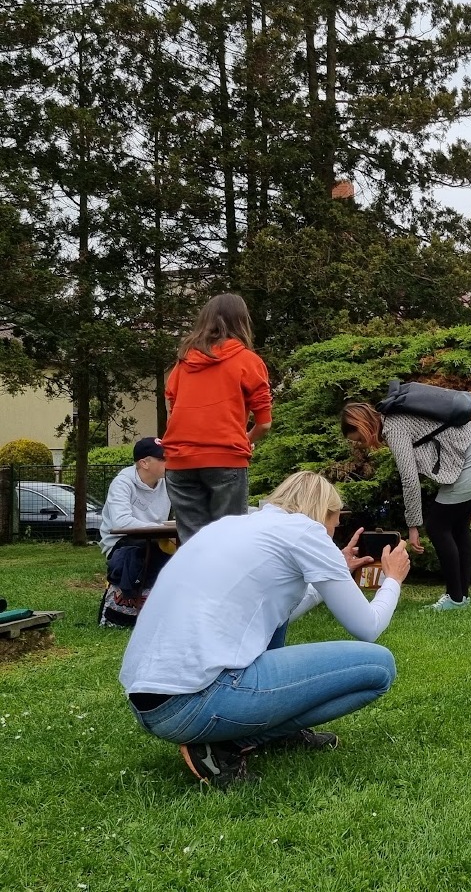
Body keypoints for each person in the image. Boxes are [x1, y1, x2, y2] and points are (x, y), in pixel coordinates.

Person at [119, 471, 410, 788]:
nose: (332, 532)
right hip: (194, 704)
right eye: (335, 523)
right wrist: (393, 580)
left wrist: (332, 569)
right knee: (380, 667)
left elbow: (273, 611)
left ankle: (249, 731)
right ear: (323, 513)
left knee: (274, 617)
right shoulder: (306, 531)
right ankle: (229, 742)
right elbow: (368, 627)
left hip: (150, 706)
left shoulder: (231, 527)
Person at [340, 400, 471, 610]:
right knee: (459, 527)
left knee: (437, 526)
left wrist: (413, 526)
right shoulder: (394, 419)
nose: (363, 444)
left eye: (360, 438)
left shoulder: (393, 428)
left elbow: (409, 479)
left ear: (362, 425)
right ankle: (461, 598)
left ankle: (455, 598)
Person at [162, 293, 272, 543]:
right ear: (242, 321)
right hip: (225, 458)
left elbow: (174, 410)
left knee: (193, 544)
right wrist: (246, 439)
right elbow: (264, 423)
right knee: (228, 541)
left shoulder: (182, 364)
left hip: (179, 461)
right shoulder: (248, 361)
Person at [98, 437, 172, 627]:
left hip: (155, 539)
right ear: (144, 463)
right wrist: (161, 530)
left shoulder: (168, 482)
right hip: (120, 542)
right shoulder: (122, 483)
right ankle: (126, 611)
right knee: (157, 554)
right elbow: (121, 523)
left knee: (186, 553)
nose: (169, 461)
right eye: (163, 458)